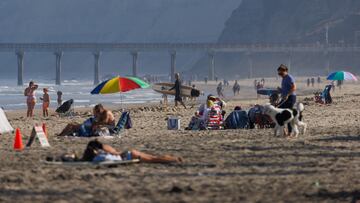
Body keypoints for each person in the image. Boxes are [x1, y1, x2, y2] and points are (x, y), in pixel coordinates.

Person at [57, 139, 183, 163]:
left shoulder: (97, 156)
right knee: (154, 158)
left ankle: (173, 159)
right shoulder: (99, 154)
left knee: (154, 159)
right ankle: (171, 158)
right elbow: (112, 153)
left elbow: (111, 155)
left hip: (128, 155)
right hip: (127, 154)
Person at [277, 64, 296, 135]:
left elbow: (294, 87)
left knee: (288, 114)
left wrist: (288, 95)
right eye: (279, 73)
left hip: (291, 97)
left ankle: (290, 132)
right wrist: (280, 90)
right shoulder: (283, 78)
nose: (280, 74)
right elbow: (285, 89)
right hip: (284, 98)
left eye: (281, 73)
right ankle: (284, 130)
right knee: (278, 112)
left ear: (286, 71)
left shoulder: (289, 77)